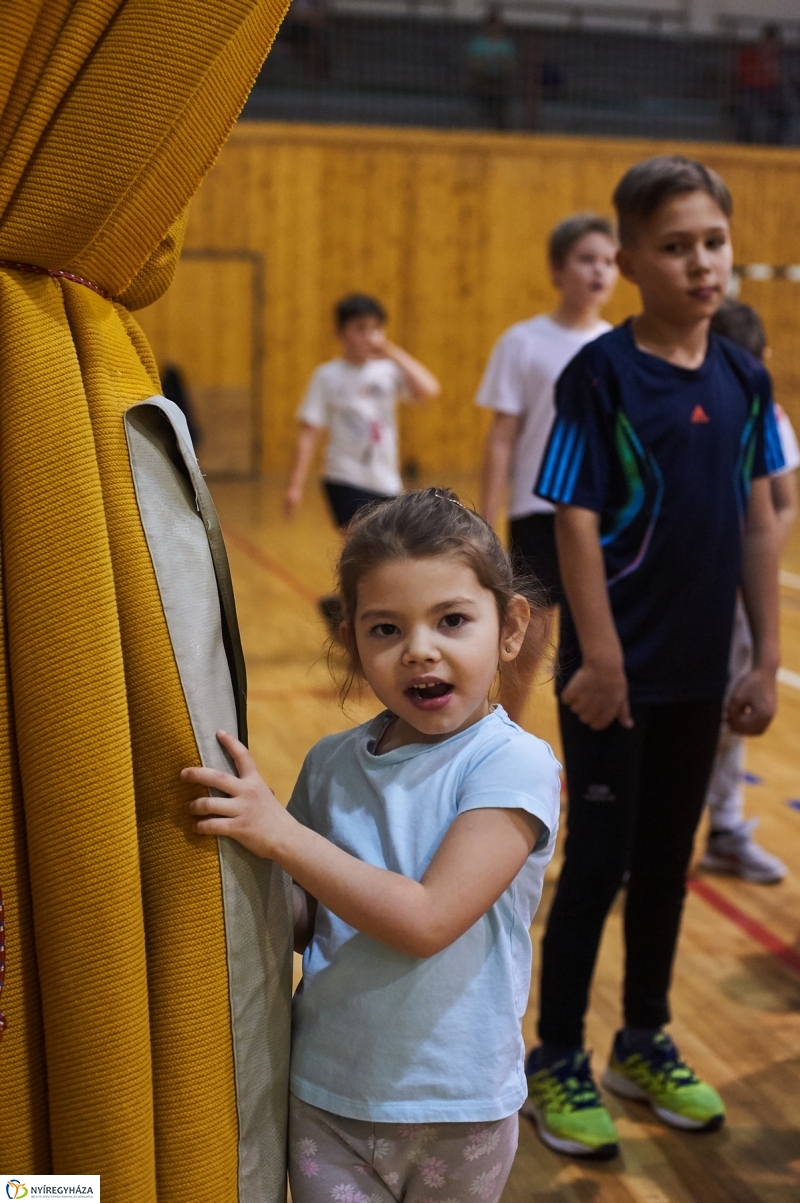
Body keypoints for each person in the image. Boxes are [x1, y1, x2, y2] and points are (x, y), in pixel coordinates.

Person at [182, 488, 562, 1203]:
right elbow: (302, 921)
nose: (420, 649)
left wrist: (282, 836)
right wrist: (234, 860)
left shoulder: (512, 764)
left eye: (452, 620)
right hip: (327, 1096)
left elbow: (427, 921)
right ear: (352, 641)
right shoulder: (330, 763)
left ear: (511, 628)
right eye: (385, 628)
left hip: (458, 1109)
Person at [524, 156, 783, 1160]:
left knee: (668, 864)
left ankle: (643, 1037)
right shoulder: (598, 375)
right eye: (674, 247)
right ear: (630, 262)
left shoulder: (744, 377)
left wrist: (762, 657)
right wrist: (598, 658)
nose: (700, 262)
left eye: (712, 242)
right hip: (611, 677)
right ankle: (556, 1054)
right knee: (597, 860)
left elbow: (758, 522)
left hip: (697, 674)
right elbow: (573, 517)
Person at [477, 213, 618, 721]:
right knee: (529, 639)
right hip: (539, 510)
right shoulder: (523, 342)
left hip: (602, 516)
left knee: (589, 642)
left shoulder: (620, 349)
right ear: (557, 270)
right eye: (586, 259)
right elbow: (502, 437)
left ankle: (587, 748)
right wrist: (483, 520)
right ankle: (504, 737)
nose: (599, 271)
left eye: (609, 261)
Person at [698, 301, 799, 883]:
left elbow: (782, 507)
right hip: (679, 592)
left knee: (731, 714)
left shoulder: (770, 419)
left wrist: (745, 572)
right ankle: (639, 835)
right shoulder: (689, 411)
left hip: (734, 595)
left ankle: (725, 829)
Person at [284, 294, 440, 529]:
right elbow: (308, 433)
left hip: (387, 481)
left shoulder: (388, 371)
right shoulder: (327, 376)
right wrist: (294, 486)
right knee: (362, 540)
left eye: (375, 328)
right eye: (360, 329)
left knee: (384, 547)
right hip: (345, 477)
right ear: (340, 333)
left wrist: (391, 351)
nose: (368, 336)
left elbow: (429, 390)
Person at [734, 25, 790, 146]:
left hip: (771, 92)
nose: (769, 45)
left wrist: (776, 71)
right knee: (746, 108)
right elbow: (741, 77)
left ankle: (774, 143)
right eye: (767, 41)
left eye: (773, 42)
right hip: (751, 90)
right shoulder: (749, 55)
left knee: (786, 109)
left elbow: (782, 80)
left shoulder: (779, 57)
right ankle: (745, 142)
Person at [467, 9, 517, 130]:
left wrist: (492, 64)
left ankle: (501, 129)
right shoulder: (478, 43)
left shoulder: (506, 44)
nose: (493, 28)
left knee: (501, 102)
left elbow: (510, 66)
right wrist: (489, 66)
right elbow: (472, 64)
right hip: (482, 82)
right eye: (490, 25)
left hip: (500, 84)